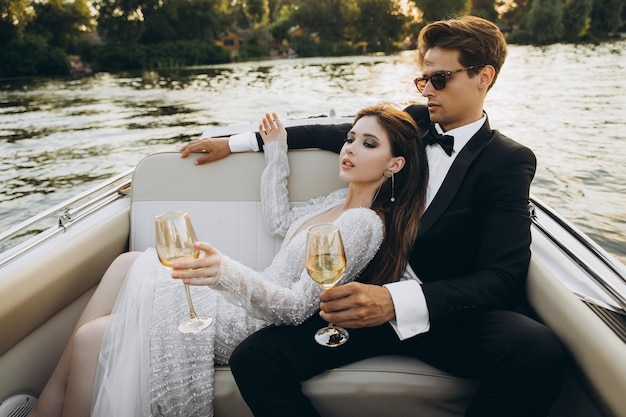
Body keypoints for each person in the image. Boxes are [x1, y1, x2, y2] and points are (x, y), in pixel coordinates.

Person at [182, 15, 566, 417]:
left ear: (483, 76)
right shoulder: (412, 122)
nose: (428, 90)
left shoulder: (506, 161)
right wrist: (236, 143)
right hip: (358, 308)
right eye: (424, 79)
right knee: (254, 358)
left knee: (536, 351)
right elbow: (324, 134)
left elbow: (503, 277)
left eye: (440, 79)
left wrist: (395, 301)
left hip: (441, 316)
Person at [25, 103, 428, 417]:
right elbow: (279, 220)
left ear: (394, 165)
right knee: (127, 263)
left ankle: (47, 409)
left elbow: (297, 307)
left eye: (368, 144)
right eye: (351, 139)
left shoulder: (363, 224)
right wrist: (275, 150)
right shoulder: (333, 203)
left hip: (248, 321)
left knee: (91, 338)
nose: (350, 149)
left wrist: (222, 273)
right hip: (238, 299)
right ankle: (45, 409)